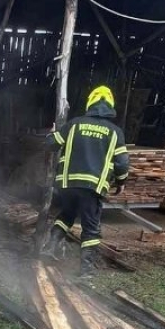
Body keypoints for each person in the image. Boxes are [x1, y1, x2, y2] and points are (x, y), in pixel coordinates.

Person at [41, 85, 129, 276]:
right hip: (92, 187)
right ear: (110, 106)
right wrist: (121, 182)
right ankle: (86, 270)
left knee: (66, 215)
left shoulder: (74, 124)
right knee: (91, 228)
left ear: (91, 103)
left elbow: (51, 144)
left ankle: (49, 248)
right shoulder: (115, 132)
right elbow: (122, 163)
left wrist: (52, 133)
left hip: (68, 185)